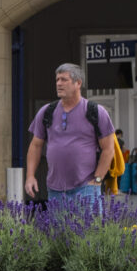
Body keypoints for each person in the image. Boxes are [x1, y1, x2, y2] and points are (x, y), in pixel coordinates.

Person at [24, 63, 116, 203]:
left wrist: (97, 180)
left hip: (86, 188)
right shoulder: (46, 112)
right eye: (57, 80)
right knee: (57, 226)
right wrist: (30, 176)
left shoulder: (96, 112)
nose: (59, 84)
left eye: (64, 80)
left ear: (78, 83)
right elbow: (35, 146)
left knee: (88, 226)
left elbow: (108, 149)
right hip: (55, 190)